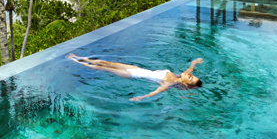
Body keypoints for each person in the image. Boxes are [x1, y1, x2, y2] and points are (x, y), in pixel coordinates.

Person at [66, 53, 203, 101]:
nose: (190, 75)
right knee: (106, 62)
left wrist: (141, 97)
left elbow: (154, 93)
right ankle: (79, 57)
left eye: (190, 78)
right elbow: (189, 69)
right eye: (192, 75)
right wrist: (194, 63)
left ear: (185, 85)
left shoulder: (168, 84)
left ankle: (75, 61)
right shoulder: (179, 76)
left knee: (103, 68)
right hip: (136, 68)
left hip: (132, 74)